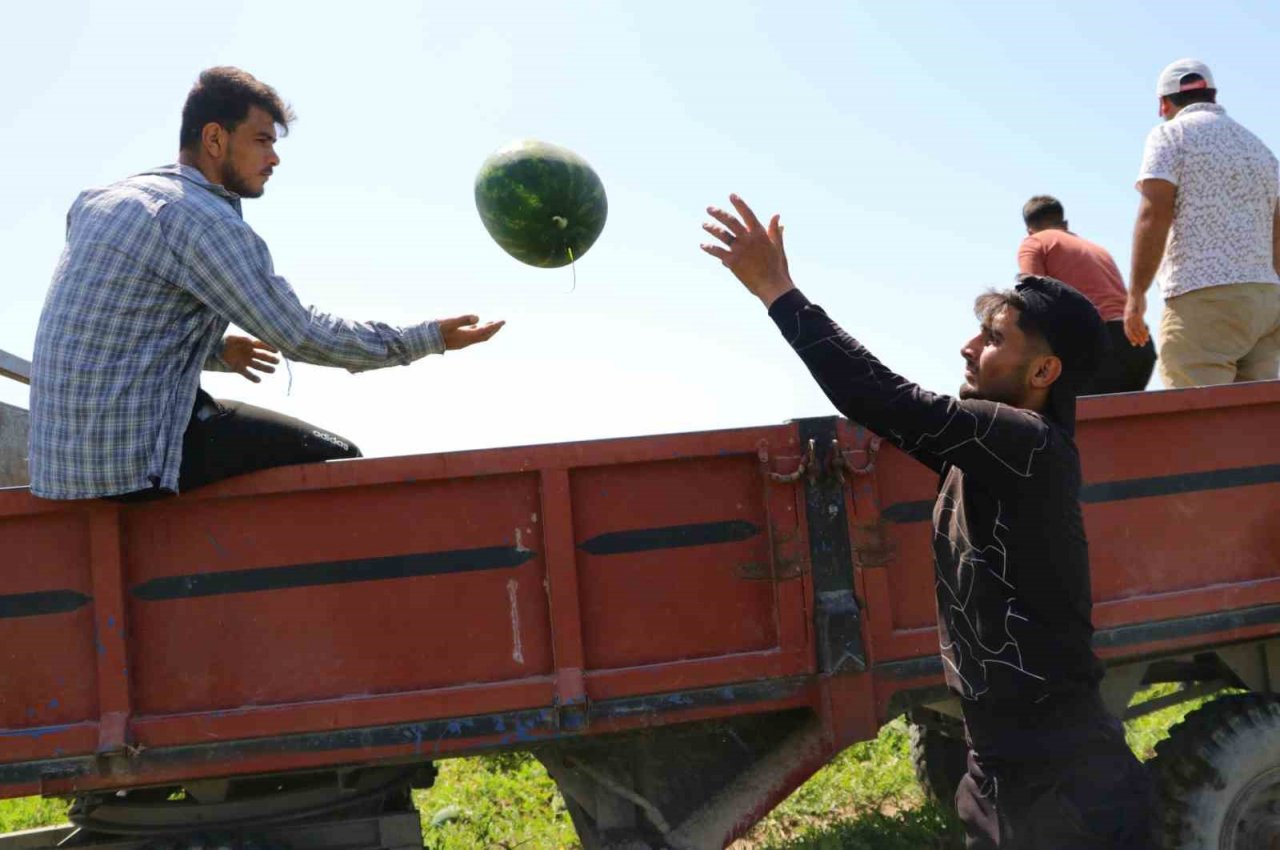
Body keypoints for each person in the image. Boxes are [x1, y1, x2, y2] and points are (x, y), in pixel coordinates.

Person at [701, 195, 1151, 848]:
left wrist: (778, 291)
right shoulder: (985, 453)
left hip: (1067, 787)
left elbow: (882, 399)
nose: (969, 346)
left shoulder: (1028, 443)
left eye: (994, 338)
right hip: (998, 773)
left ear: (1044, 371)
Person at [28, 67, 504, 501]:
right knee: (338, 458)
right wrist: (427, 339)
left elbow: (120, 322)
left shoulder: (100, 201)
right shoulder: (201, 220)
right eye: (261, 140)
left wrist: (216, 351)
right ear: (214, 138)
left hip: (61, 465)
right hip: (130, 463)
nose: (274, 158)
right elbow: (301, 334)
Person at [1125, 58, 1280, 388]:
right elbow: (1277, 232)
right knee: (1256, 427)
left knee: (1197, 424)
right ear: (1213, 95)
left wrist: (1136, 294)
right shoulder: (1260, 149)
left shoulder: (1170, 135)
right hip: (1266, 301)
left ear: (1163, 104)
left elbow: (1154, 215)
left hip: (1203, 297)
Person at [1018, 195, 1156, 394]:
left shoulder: (1034, 242)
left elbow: (1033, 297)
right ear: (1064, 224)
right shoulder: (1098, 250)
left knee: (1060, 414)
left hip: (1096, 344)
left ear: (1029, 229)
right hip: (1137, 346)